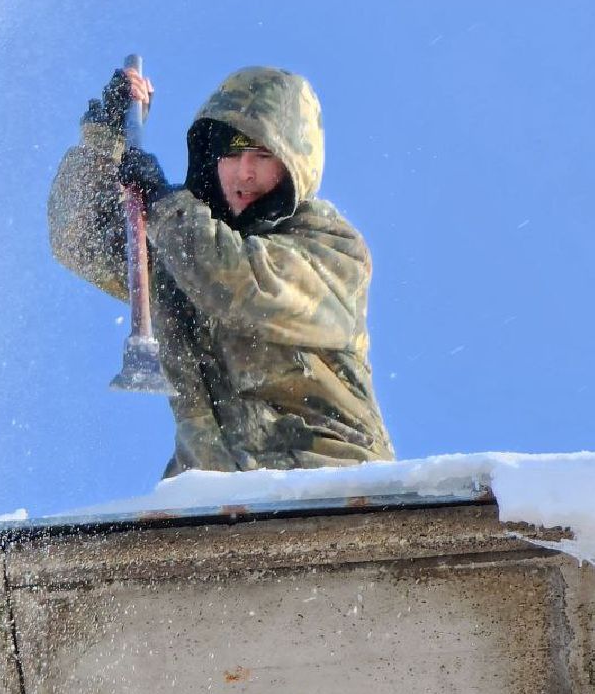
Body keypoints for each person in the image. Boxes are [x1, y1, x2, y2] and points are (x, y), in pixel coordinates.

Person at [48, 64, 394, 476]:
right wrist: (104, 140)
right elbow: (79, 240)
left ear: (293, 165)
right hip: (215, 501)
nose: (245, 171)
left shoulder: (332, 249)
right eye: (232, 153)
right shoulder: (179, 240)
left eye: (263, 156)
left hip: (330, 486)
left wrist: (165, 207)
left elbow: (239, 284)